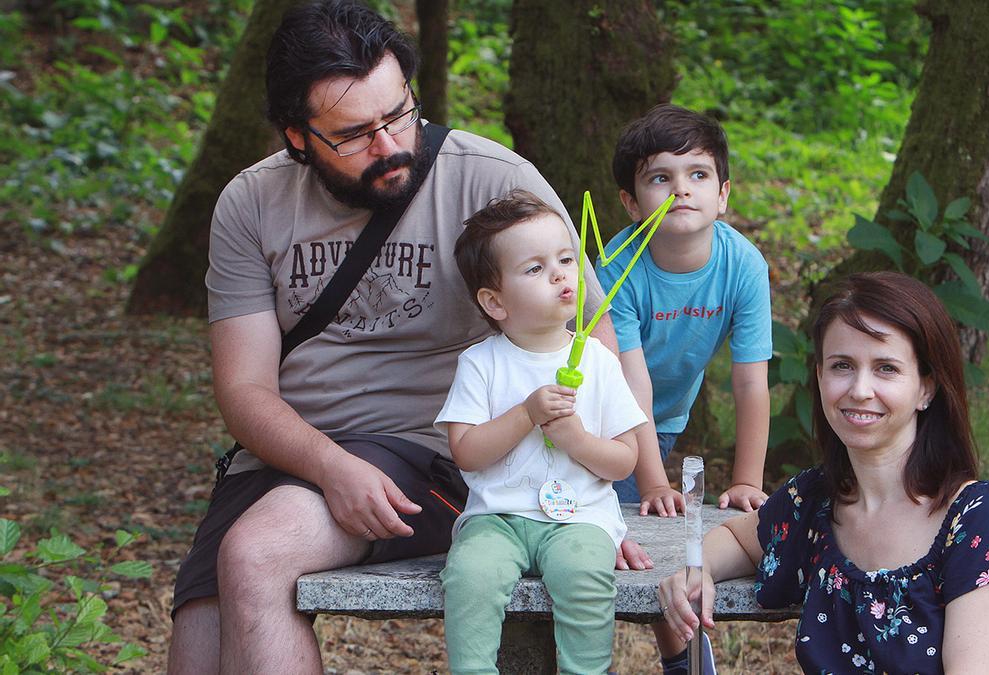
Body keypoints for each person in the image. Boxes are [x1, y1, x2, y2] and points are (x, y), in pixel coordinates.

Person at [165, 2, 646, 672]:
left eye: (399, 114)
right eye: (355, 134)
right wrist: (330, 466)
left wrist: (602, 503)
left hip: (436, 453)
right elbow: (244, 387)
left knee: (256, 552)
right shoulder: (251, 203)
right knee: (200, 637)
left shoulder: (492, 180)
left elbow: (596, 335)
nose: (390, 145)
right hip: (286, 456)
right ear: (297, 136)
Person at [658, 271, 989, 673]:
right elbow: (739, 540)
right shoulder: (817, 500)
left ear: (927, 388)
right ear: (819, 376)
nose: (860, 389)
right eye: (842, 365)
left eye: (886, 368)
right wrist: (696, 569)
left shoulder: (982, 518)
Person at [435, 191, 645, 673]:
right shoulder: (481, 364)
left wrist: (575, 440)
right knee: (470, 573)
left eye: (566, 259)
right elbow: (466, 452)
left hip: (580, 518)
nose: (559, 274)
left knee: (584, 576)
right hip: (499, 518)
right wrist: (526, 414)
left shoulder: (598, 361)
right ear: (495, 301)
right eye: (534, 268)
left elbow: (624, 459)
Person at [598, 104, 773, 517]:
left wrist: (748, 481)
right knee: (617, 518)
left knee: (644, 515)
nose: (682, 189)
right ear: (632, 204)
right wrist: (657, 483)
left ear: (723, 194)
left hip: (664, 419)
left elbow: (751, 382)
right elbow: (631, 382)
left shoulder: (744, 265)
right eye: (660, 178)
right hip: (603, 418)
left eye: (698, 174)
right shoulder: (616, 269)